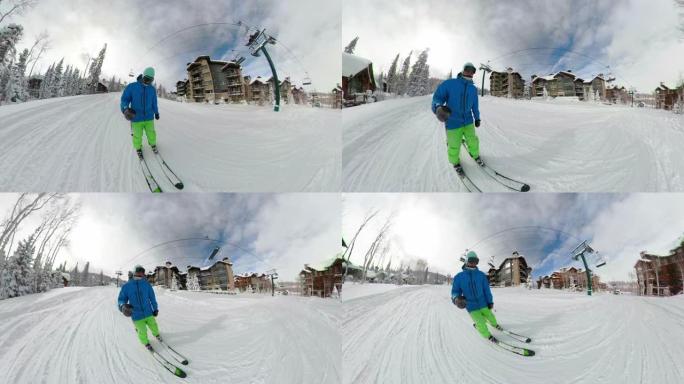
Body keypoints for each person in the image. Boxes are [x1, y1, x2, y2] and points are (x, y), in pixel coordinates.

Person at [431, 62, 483, 176]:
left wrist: (477, 118)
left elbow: (475, 105)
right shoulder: (450, 83)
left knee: (473, 140)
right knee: (454, 144)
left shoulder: (473, 89)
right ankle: (455, 162)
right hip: (453, 121)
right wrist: (438, 107)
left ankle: (475, 155)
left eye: (472, 70)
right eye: (467, 69)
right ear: (463, 70)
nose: (470, 72)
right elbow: (437, 97)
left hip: (468, 120)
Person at [451, 251, 501, 342]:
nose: (473, 263)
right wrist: (456, 298)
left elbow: (486, 290)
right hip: (471, 306)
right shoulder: (459, 277)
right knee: (480, 322)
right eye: (471, 260)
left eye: (476, 261)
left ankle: (495, 324)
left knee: (490, 316)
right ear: (466, 261)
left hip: (483, 303)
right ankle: (487, 335)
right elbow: (455, 291)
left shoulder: (481, 275)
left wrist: (490, 301)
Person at [117, 265, 162, 351]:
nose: (140, 274)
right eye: (138, 272)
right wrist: (122, 306)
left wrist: (155, 308)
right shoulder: (127, 286)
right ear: (134, 273)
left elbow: (152, 298)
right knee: (142, 330)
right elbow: (121, 299)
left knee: (153, 325)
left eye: (142, 273)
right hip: (136, 314)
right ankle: (145, 342)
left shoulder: (146, 284)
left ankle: (156, 334)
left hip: (148, 312)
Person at [120, 67, 160, 159]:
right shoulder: (132, 86)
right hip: (136, 117)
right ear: (143, 76)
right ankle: (138, 148)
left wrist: (156, 112)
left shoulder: (152, 89)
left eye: (150, 80)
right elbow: (124, 99)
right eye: (146, 79)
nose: (148, 82)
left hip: (149, 117)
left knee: (151, 133)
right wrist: (125, 109)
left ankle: (153, 144)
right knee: (137, 135)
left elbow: (154, 103)